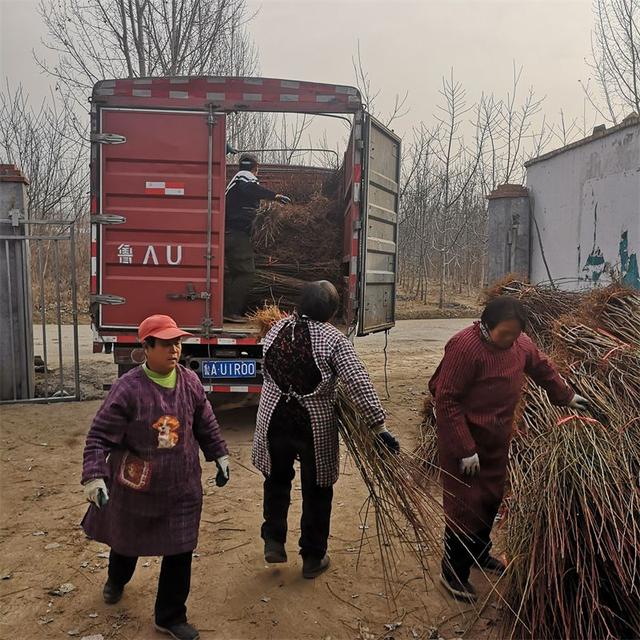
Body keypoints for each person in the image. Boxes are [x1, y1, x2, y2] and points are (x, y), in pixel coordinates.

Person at [429, 296, 589, 602]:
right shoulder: (464, 347)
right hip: (463, 442)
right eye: (505, 334)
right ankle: (452, 574)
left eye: (515, 334)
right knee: (465, 506)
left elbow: (542, 369)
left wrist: (566, 396)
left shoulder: (521, 344)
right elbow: (446, 400)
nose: (510, 340)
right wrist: (464, 448)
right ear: (487, 327)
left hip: (495, 440)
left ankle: (479, 553)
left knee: (490, 497)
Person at [81, 314, 230, 640]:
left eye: (177, 342)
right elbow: (99, 437)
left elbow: (205, 421)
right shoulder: (127, 389)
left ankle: (170, 616)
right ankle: (116, 579)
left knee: (181, 548)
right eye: (165, 344)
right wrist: (94, 478)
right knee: (127, 540)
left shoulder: (189, 381)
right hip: (138, 488)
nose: (174, 350)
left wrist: (219, 454)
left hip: (182, 487)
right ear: (146, 347)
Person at [252, 281, 400, 578]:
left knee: (276, 480)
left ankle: (273, 539)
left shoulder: (275, 331)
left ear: (297, 307)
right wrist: (377, 425)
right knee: (318, 489)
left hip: (274, 421)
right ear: (331, 313)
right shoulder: (333, 339)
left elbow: (267, 372)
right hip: (312, 425)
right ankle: (312, 557)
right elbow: (357, 381)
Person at [224, 153, 291, 323]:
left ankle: (227, 310)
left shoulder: (236, 180)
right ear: (255, 168)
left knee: (236, 273)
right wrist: (274, 196)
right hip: (236, 235)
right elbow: (250, 189)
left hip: (231, 234)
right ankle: (231, 312)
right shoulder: (244, 177)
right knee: (246, 272)